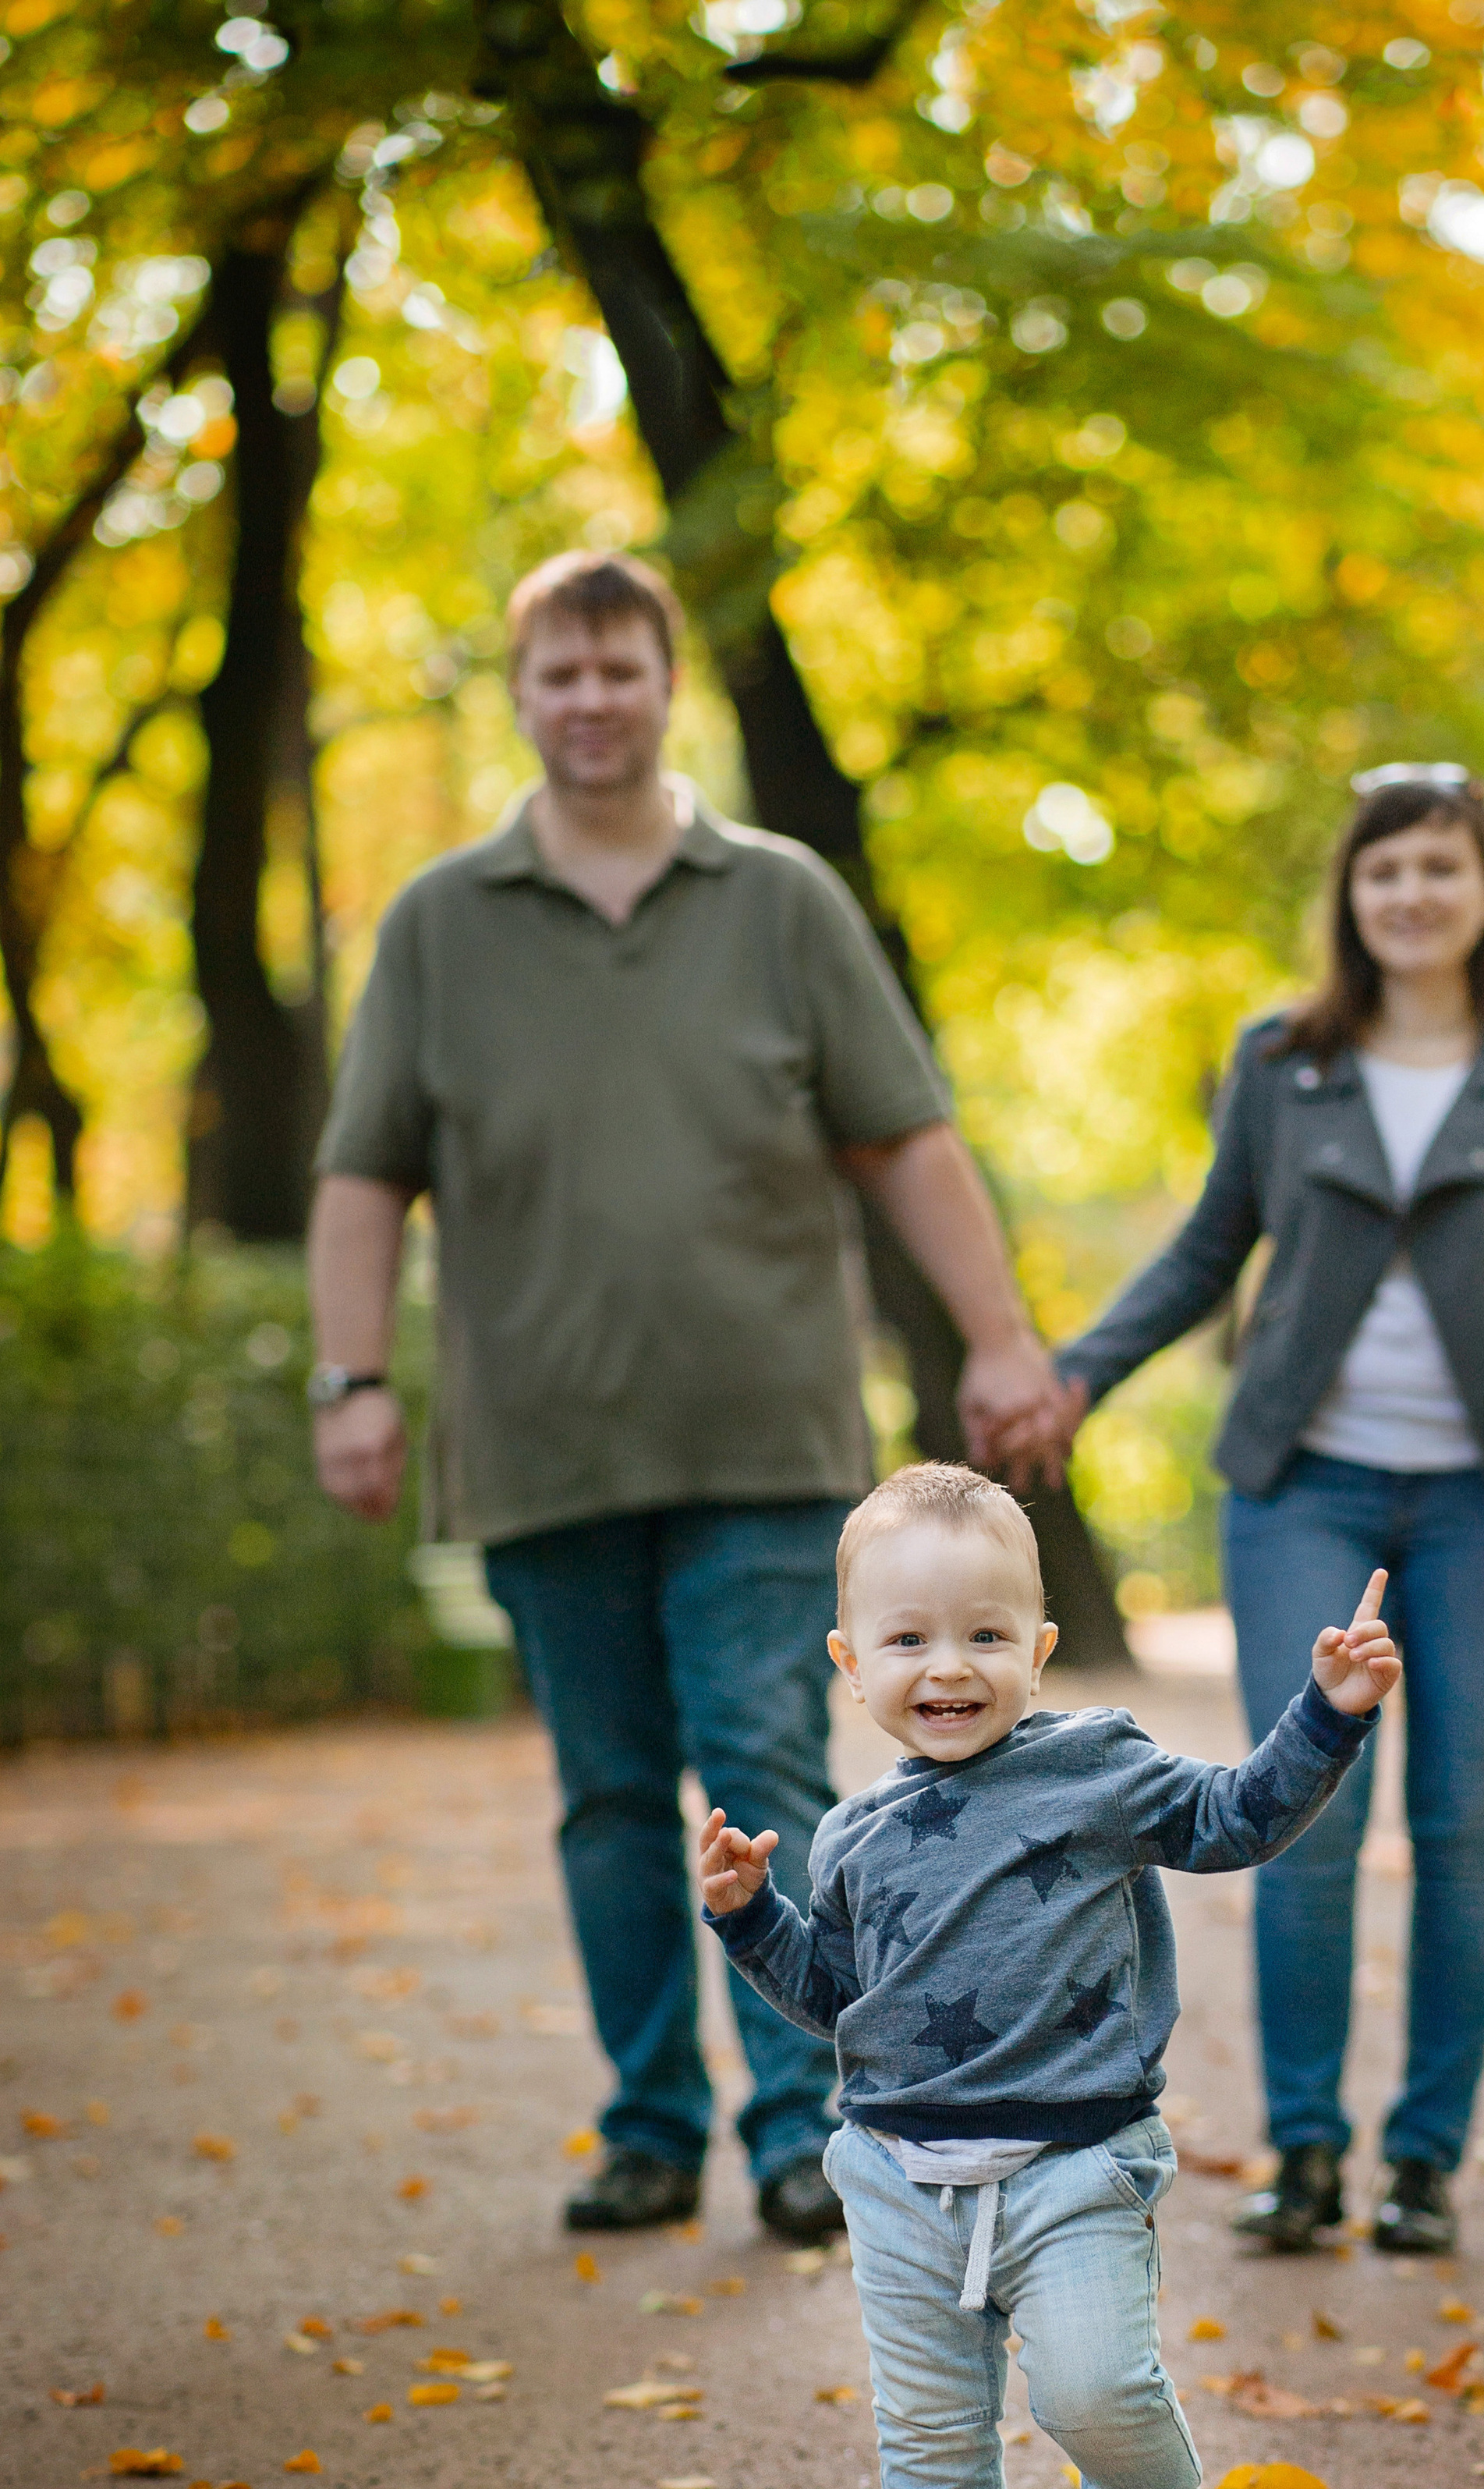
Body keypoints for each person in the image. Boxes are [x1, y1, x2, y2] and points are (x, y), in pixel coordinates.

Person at [307, 549, 1072, 2244]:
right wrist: (350, 1379)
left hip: (763, 1436)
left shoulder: (781, 898)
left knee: (762, 1772)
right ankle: (648, 2124)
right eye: (558, 674)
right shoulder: (441, 920)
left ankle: (799, 2126)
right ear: (522, 696)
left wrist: (1000, 1335)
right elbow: (365, 1174)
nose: (591, 700)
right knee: (601, 1794)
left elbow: (905, 1135)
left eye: (619, 670)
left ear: (666, 686)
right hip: (542, 1444)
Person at [1047, 764, 1484, 2262]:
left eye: (1442, 867)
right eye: (1385, 873)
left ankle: (1424, 2161)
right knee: (1302, 1813)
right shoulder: (1284, 1058)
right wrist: (1074, 1378)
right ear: (1352, 899)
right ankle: (1305, 2155)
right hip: (1304, 1488)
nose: (1413, 896)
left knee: (1464, 1823)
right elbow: (1204, 1253)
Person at [696, 1460, 1400, 2489]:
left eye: (985, 1635)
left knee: (1096, 2389)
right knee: (928, 2426)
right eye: (908, 1640)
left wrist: (1329, 1713)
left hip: (1075, 2161)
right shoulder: (849, 1834)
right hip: (900, 2177)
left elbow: (1238, 1819)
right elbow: (841, 2003)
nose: (947, 1667)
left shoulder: (1095, 1770)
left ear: (1041, 1646)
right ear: (853, 1662)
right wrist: (751, 1921)